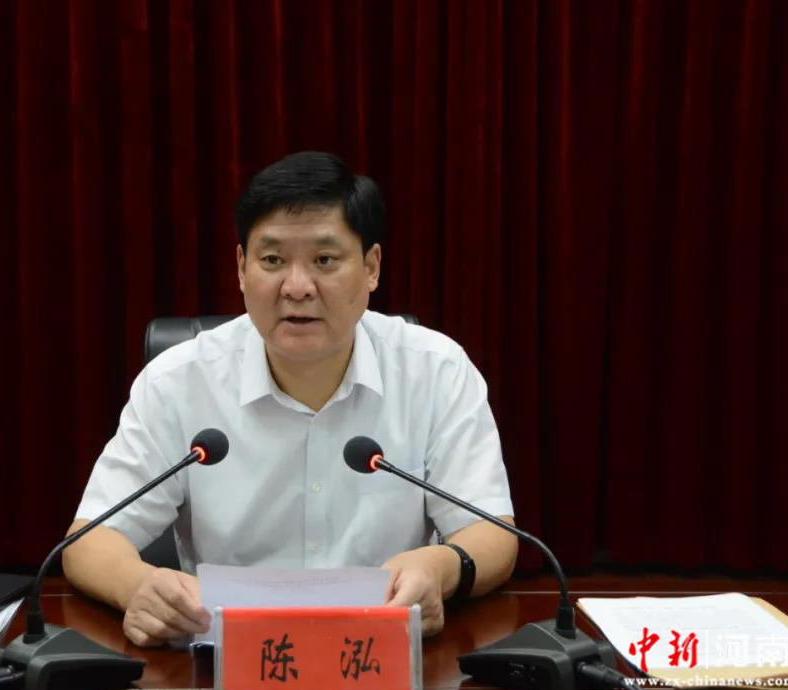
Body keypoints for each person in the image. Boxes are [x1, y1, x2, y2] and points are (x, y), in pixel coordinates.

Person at [62, 151, 517, 647]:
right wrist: (137, 586)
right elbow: (88, 540)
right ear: (242, 268)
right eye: (273, 261)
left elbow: (492, 533)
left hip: (382, 658)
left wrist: (442, 566)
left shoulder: (435, 370)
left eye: (325, 260)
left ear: (371, 268)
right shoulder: (178, 382)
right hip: (222, 665)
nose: (297, 288)